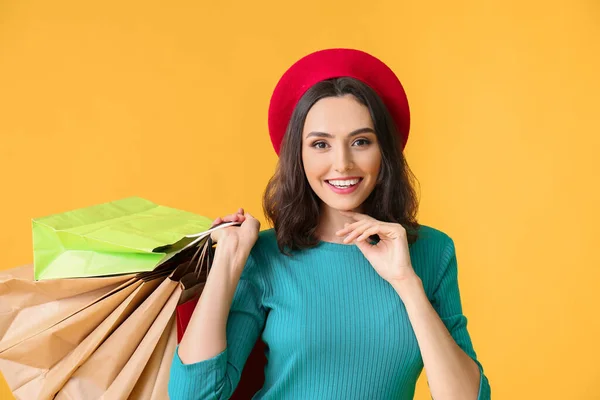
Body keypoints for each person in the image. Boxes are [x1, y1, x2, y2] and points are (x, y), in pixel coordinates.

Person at [168, 48, 491, 399]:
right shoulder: (266, 256)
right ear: (299, 155)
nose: (342, 163)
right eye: (321, 144)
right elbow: (194, 396)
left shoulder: (432, 251)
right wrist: (228, 263)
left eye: (361, 142)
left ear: (384, 151)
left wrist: (406, 283)